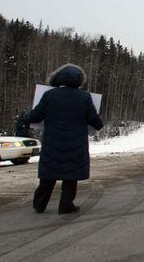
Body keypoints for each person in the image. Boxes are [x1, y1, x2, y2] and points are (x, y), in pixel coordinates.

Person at [27, 64, 104, 214]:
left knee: (49, 174)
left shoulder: (49, 95)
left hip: (52, 143)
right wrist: (98, 123)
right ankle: (66, 205)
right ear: (79, 80)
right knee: (71, 175)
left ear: (58, 78)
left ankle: (40, 203)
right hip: (76, 144)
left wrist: (25, 116)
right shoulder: (84, 97)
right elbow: (95, 122)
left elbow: (36, 116)